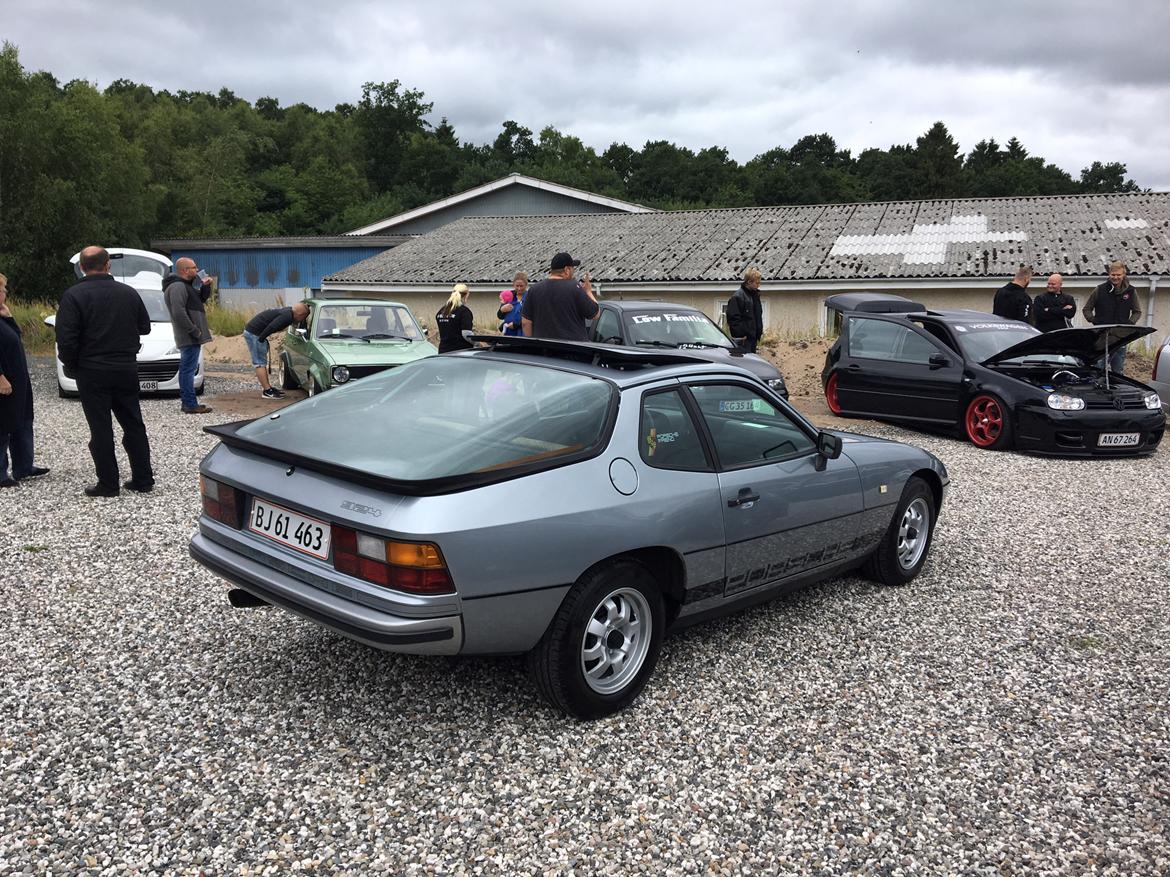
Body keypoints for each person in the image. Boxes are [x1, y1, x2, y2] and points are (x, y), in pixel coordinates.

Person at [55, 246, 154, 497]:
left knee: (100, 428)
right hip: (125, 367)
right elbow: (145, 327)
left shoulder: (73, 296)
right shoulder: (129, 293)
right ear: (107, 265)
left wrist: (73, 366)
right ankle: (143, 479)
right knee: (133, 423)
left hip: (92, 369)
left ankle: (108, 484)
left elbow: (66, 339)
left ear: (81, 267)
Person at [0, 273, 50, 488]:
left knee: (23, 420)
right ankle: (1, 473)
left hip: (18, 378)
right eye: (3, 290)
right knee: (2, 425)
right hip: (5, 380)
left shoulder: (2, 316)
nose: (6, 294)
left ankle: (24, 465)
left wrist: (9, 317)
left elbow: (14, 339)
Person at [164, 257, 213, 414]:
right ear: (184, 270)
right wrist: (194, 330)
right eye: (193, 267)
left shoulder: (186, 286)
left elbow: (201, 299)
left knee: (188, 369)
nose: (196, 270)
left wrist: (205, 286)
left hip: (191, 336)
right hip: (189, 336)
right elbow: (178, 312)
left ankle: (190, 403)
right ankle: (189, 404)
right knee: (187, 370)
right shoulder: (178, 287)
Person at [521, 253, 599, 341]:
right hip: (573, 349)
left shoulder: (534, 289)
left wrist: (533, 344)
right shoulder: (574, 287)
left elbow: (525, 322)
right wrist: (588, 291)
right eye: (572, 268)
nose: (573, 272)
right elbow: (595, 314)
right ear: (567, 270)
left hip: (543, 350)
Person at [1083, 261, 1143, 373]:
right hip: (1101, 337)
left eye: (1118, 275)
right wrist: (1095, 321)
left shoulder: (1131, 291)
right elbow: (1086, 309)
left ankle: (1116, 389)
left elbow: (1137, 312)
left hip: (1120, 338)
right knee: (1097, 369)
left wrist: (1129, 325)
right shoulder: (1099, 290)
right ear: (1109, 274)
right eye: (1113, 275)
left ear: (1123, 275)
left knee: (1118, 371)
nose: (1115, 277)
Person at [242, 301, 310, 398]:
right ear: (300, 314)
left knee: (261, 361)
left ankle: (268, 388)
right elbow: (272, 326)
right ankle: (267, 391)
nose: (302, 320)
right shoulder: (287, 317)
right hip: (254, 334)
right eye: (303, 317)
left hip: (255, 332)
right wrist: (261, 339)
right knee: (259, 363)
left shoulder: (289, 311)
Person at [726, 268, 764, 353]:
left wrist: (758, 333)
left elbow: (757, 316)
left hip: (752, 338)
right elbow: (733, 318)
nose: (759, 285)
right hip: (743, 340)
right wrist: (740, 334)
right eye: (757, 283)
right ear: (749, 282)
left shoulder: (755, 297)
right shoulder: (738, 297)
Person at [436, 283, 474, 353]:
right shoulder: (464, 311)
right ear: (466, 295)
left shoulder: (441, 311)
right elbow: (466, 333)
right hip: (460, 352)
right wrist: (478, 343)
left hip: (443, 351)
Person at [498, 271, 529, 336]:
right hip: (509, 333)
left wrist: (516, 324)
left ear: (526, 285)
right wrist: (502, 310)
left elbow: (532, 318)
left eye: (521, 286)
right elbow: (500, 316)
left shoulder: (529, 297)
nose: (519, 288)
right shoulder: (508, 296)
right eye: (517, 286)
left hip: (523, 333)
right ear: (513, 284)